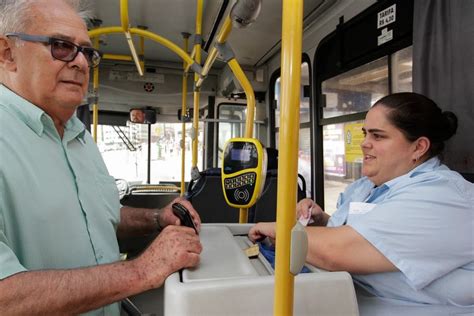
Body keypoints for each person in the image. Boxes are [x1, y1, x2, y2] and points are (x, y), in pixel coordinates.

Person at [0, 0, 202, 315]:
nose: (80, 62)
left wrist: (156, 218)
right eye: (61, 46)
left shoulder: (78, 136)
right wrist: (141, 271)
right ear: (7, 53)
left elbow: (97, 220)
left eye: (87, 52)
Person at [249, 93, 473, 313]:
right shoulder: (367, 185)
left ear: (418, 147)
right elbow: (362, 235)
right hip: (341, 296)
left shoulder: (442, 198)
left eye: (378, 136)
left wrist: (276, 229)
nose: (364, 143)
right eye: (365, 134)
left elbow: (336, 251)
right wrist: (323, 221)